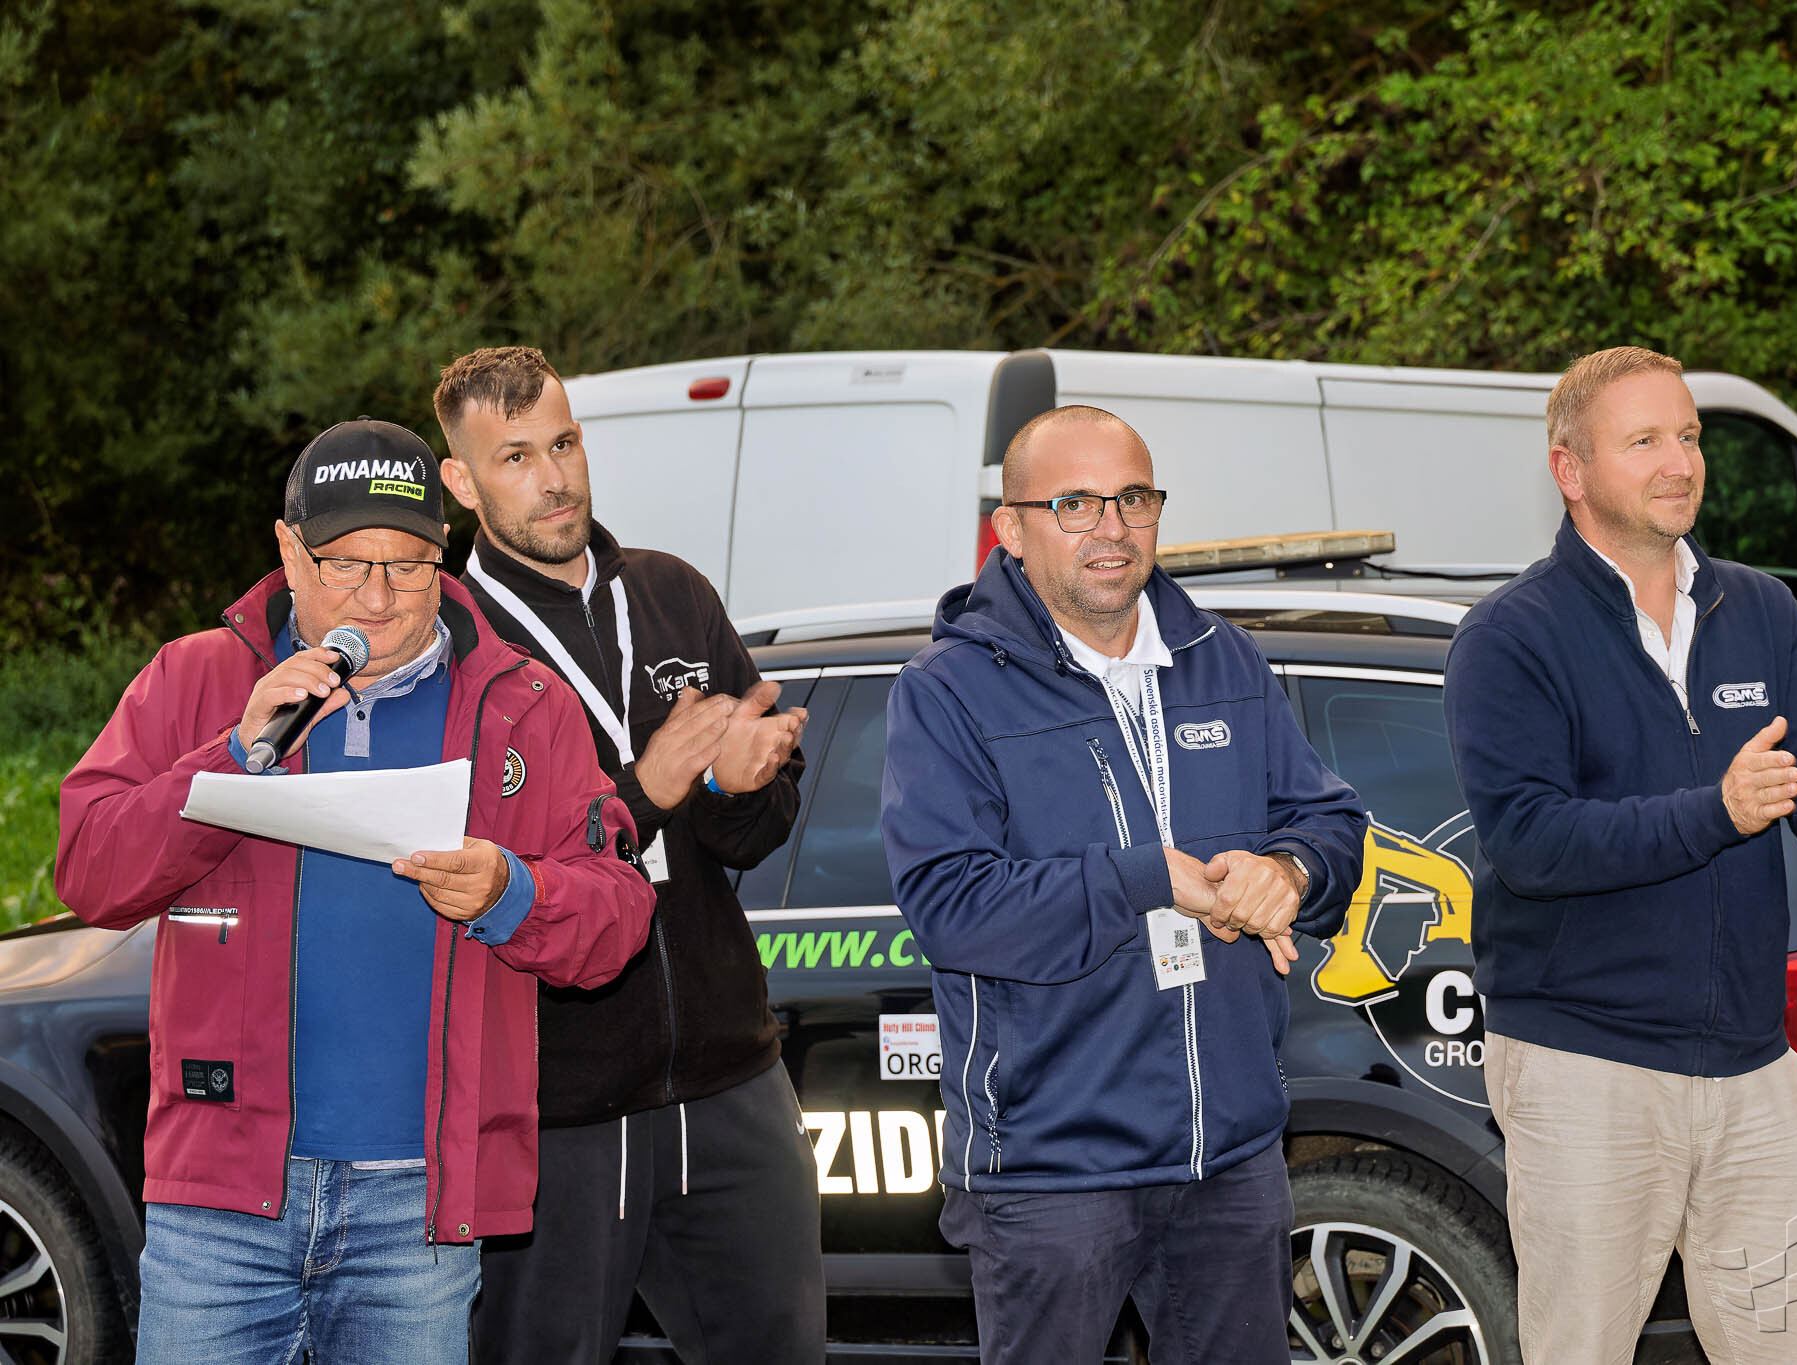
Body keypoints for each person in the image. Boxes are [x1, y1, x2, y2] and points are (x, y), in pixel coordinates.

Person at [55, 418, 655, 1364]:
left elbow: (618, 917)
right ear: (290, 551)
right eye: (345, 563)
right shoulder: (195, 677)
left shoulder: (522, 703)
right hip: (218, 1204)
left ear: (443, 554)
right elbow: (90, 869)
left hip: (417, 1212)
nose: (377, 597)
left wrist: (513, 891)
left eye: (409, 566)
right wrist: (233, 755)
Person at [1443, 347, 1797, 1364]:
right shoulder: (1509, 637)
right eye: (1644, 441)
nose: (1679, 462)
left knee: (1795, 1350)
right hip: (1586, 1068)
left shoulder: (1757, 607)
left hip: (1753, 1068)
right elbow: (1529, 841)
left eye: (1689, 436)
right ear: (1570, 470)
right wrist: (1717, 811)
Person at [879, 405, 1367, 1365]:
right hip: (1053, 1169)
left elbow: (1333, 821)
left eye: (1134, 498)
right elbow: (950, 905)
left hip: (1230, 1157)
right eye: (1076, 503)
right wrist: (1147, 880)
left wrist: (1289, 871)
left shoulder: (1222, 657)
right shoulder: (947, 690)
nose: (1112, 526)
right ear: (1011, 528)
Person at [432, 346, 823, 1365]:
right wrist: (645, 789)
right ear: (463, 482)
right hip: (554, 1105)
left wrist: (735, 786)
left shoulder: (671, 593)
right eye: (516, 457)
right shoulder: (448, 646)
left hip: (730, 1077)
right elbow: (481, 863)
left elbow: (754, 832)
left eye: (563, 444)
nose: (554, 477)